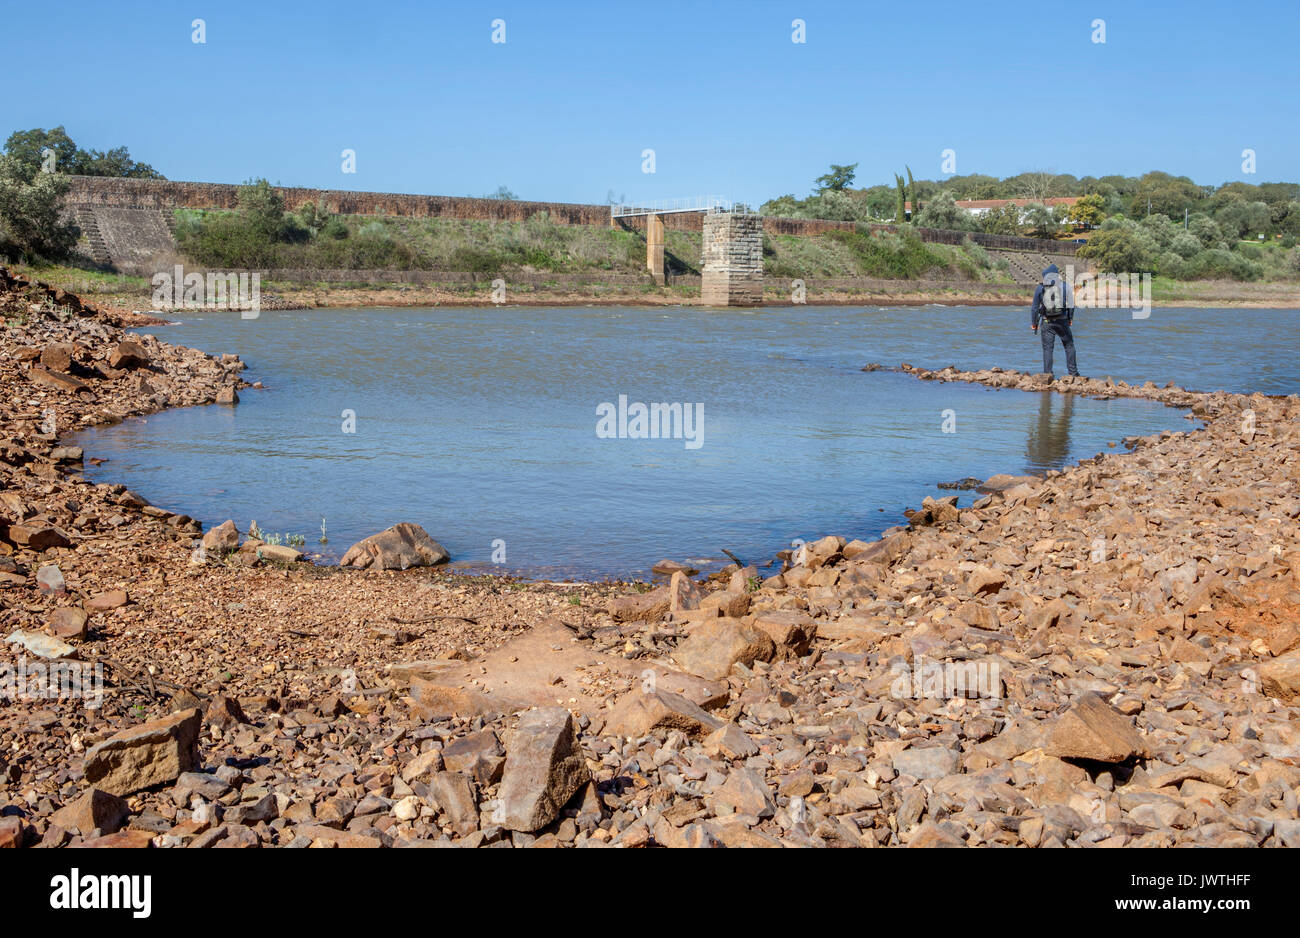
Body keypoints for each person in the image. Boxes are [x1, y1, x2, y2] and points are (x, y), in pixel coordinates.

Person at [1030, 263, 1079, 377]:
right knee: (1069, 345)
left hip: (1047, 322)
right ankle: (1073, 373)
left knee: (1048, 349)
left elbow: (1034, 307)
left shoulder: (1040, 287)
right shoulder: (1065, 286)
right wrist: (1070, 318)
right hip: (1062, 321)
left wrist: (1034, 323)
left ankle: (1048, 374)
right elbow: (1071, 305)